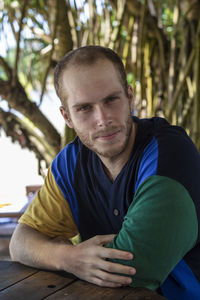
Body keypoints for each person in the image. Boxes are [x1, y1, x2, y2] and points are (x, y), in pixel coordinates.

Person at [10, 46, 200, 299]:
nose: (103, 118)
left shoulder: (169, 153)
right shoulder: (70, 163)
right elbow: (20, 242)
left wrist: (50, 252)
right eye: (84, 108)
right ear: (67, 117)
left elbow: (128, 271)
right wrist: (69, 257)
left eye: (111, 99)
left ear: (130, 97)